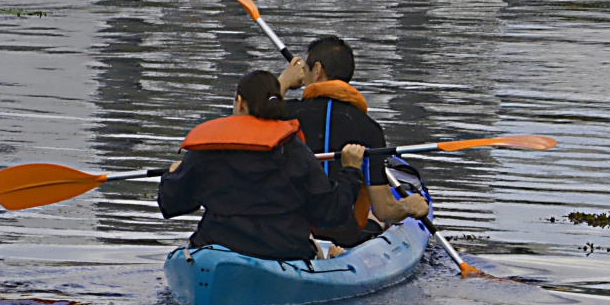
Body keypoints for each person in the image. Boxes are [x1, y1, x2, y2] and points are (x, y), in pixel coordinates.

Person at [158, 69, 368, 262]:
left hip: (219, 247)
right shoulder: (295, 150)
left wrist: (173, 176)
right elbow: (331, 213)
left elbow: (172, 204)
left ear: (240, 102)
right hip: (284, 251)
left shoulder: (208, 149)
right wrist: (350, 170)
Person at [278, 35, 428, 248]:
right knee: (376, 221)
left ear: (318, 70)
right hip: (345, 236)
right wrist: (408, 206)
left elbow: (248, 116)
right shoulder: (369, 128)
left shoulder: (285, 114)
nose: (303, 80)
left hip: (289, 229)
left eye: (306, 71)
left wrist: (283, 81)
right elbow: (384, 210)